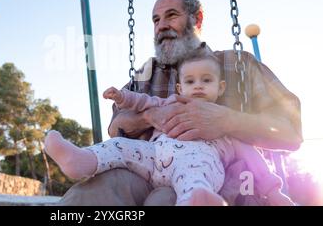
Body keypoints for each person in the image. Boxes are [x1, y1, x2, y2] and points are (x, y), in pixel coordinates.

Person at [57, 0, 302, 206]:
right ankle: (79, 162)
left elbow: (291, 132)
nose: (161, 25)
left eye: (171, 15)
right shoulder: (145, 75)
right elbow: (116, 128)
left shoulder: (238, 65)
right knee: (89, 196)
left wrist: (228, 121)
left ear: (197, 19)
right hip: (147, 168)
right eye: (155, 19)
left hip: (216, 177)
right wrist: (151, 116)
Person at [45, 47, 294, 205]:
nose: (197, 86)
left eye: (205, 81)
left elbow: (254, 159)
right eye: (190, 81)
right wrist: (122, 98)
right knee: (119, 145)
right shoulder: (168, 101)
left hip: (194, 166)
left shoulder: (226, 124)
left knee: (195, 178)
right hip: (154, 158)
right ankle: (80, 160)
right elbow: (140, 102)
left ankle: (200, 200)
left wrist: (273, 193)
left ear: (220, 88)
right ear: (180, 87)